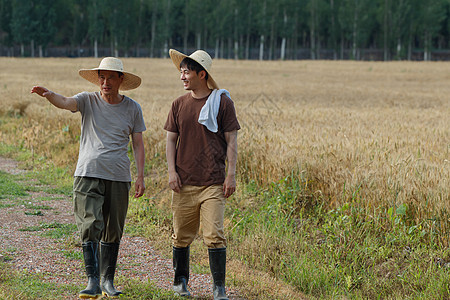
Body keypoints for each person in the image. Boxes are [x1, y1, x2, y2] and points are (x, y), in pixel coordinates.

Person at [31, 57, 146, 299]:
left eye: (110, 77)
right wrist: (49, 94)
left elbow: (138, 144)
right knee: (90, 224)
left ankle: (108, 280)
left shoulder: (133, 108)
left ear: (121, 80)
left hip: (118, 175)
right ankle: (92, 280)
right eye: (101, 77)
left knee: (113, 228)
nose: (105, 82)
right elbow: (65, 102)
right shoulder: (87, 100)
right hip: (87, 173)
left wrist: (140, 176)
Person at [164, 49, 240, 300]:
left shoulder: (222, 103)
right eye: (182, 72)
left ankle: (219, 288)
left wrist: (231, 175)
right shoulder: (178, 104)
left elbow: (231, 140)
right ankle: (180, 282)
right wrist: (172, 171)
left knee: (214, 235)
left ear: (202, 74)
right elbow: (170, 140)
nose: (182, 77)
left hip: (213, 183)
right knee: (181, 235)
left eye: (187, 72)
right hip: (184, 182)